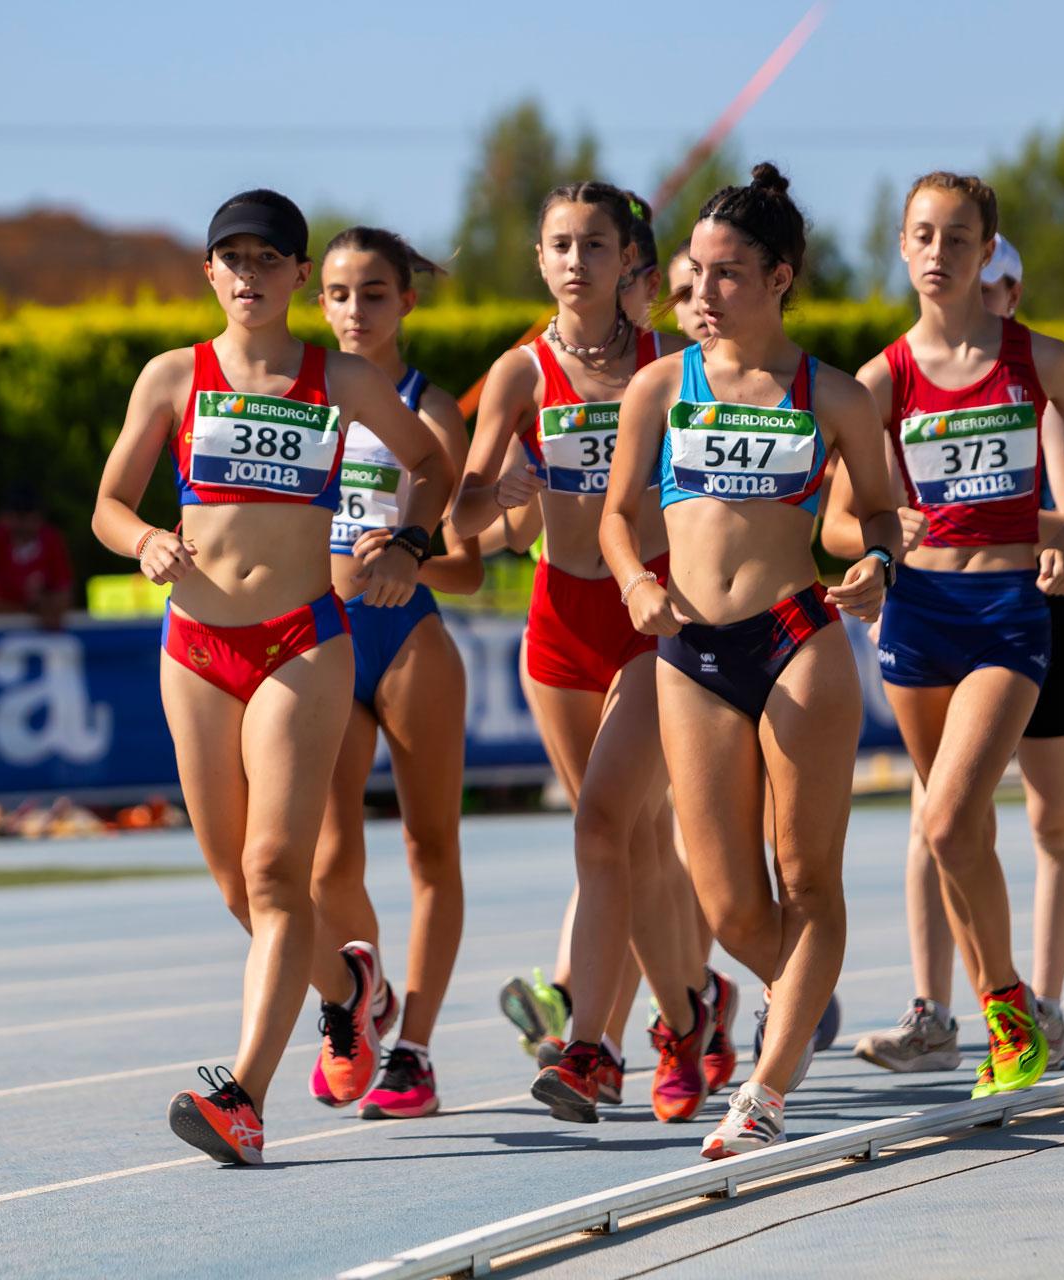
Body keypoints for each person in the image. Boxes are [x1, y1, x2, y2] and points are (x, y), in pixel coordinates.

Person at [93, 189, 451, 1164]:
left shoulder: (335, 378)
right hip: (197, 648)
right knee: (230, 884)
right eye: (232, 259)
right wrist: (146, 540)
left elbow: (431, 461)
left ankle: (242, 1096)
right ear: (210, 274)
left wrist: (407, 544)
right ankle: (351, 993)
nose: (249, 276)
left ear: (298, 275)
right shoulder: (174, 376)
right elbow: (108, 502)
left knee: (272, 869)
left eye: (267, 260)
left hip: (302, 639)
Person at [603, 162, 902, 1157]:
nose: (702, 294)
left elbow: (880, 524)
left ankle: (765, 1090)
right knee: (729, 903)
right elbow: (614, 519)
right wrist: (638, 584)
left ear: (781, 277)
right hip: (689, 649)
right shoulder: (658, 386)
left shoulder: (838, 396)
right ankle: (800, 992)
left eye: (727, 274)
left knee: (808, 879)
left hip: (794, 637)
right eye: (693, 273)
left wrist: (875, 568)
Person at [452, 184, 717, 1127]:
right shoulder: (521, 373)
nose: (575, 261)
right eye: (559, 244)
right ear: (539, 260)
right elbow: (466, 510)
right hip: (557, 624)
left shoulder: (675, 364)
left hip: (650, 614)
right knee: (631, 843)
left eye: (594, 245)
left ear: (626, 262)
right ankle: (686, 1021)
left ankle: (592, 1050)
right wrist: (495, 490)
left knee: (605, 828)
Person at [838, 179, 1064, 1099]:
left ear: (988, 251)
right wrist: (875, 547)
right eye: (922, 235)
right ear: (902, 249)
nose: (939, 251)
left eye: (958, 236)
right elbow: (838, 515)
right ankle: (1002, 1019)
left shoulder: (1040, 360)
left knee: (948, 821)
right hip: (916, 619)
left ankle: (1007, 1011)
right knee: (954, 833)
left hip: (1007, 617)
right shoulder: (881, 379)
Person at [307, 226, 480, 1120]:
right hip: (320, 638)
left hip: (407, 638)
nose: (353, 311)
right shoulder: (297, 396)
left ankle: (413, 1049)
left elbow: (468, 561)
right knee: (327, 859)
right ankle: (363, 1001)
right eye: (338, 294)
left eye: (373, 294)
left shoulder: (430, 407)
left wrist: (411, 553)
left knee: (429, 849)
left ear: (406, 302)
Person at [0, 485, 74, 629]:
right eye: (16, 514)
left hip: (34, 631)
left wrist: (41, 605)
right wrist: (31, 609)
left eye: (28, 514)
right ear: (3, 516)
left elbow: (64, 596)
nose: (22, 524)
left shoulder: (51, 540)